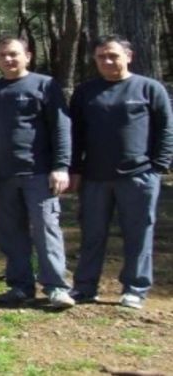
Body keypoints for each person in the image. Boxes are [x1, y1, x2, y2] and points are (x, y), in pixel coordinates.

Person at [69, 35, 173, 309]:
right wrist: (75, 169)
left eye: (113, 55)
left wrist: (158, 167)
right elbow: (75, 134)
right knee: (92, 233)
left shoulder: (149, 89)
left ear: (128, 56)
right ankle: (84, 287)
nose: (107, 61)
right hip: (95, 177)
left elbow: (166, 129)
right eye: (101, 56)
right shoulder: (85, 92)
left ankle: (135, 289)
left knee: (138, 233)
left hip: (138, 176)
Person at [0, 37, 75, 308]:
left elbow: (61, 128)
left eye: (14, 54)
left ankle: (56, 287)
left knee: (46, 230)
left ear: (27, 56)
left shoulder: (45, 85)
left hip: (39, 173)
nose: (8, 59)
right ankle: (20, 286)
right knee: (10, 234)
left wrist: (61, 166)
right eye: (3, 55)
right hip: (1, 177)